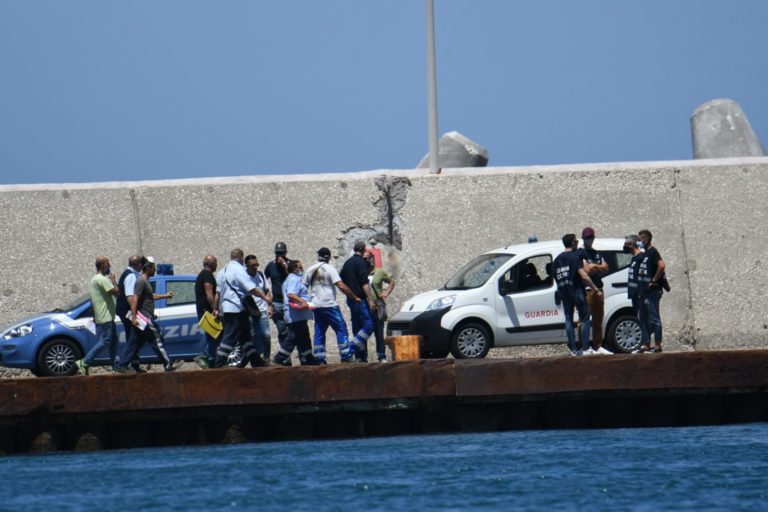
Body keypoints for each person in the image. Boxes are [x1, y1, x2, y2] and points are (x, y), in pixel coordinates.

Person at [115, 259, 180, 373]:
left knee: (134, 343)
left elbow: (150, 296)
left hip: (142, 318)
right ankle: (168, 363)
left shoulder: (145, 281)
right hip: (144, 318)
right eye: (153, 267)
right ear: (148, 268)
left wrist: (165, 296)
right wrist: (134, 318)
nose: (154, 269)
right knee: (157, 339)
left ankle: (122, 365)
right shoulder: (141, 281)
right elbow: (134, 298)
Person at [214, 249, 271, 368]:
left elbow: (217, 294)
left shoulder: (221, 272)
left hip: (227, 308)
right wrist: (265, 297)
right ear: (241, 258)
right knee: (230, 337)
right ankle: (219, 363)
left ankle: (257, 363)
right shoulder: (239, 270)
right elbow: (251, 288)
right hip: (237, 309)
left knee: (246, 339)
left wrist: (215, 308)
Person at [303, 247, 359, 364]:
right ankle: (346, 355)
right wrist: (354, 297)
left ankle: (319, 359)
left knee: (319, 330)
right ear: (328, 257)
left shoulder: (310, 269)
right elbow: (341, 286)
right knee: (340, 328)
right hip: (329, 305)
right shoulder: (330, 269)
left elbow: (303, 288)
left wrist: (306, 302)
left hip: (316, 305)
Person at [553, 234, 599, 356]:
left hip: (564, 293)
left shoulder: (557, 260)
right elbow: (583, 275)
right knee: (585, 318)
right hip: (576, 290)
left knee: (568, 318)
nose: (578, 242)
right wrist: (595, 287)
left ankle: (573, 349)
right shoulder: (575, 257)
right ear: (573, 243)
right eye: (576, 241)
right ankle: (585, 348)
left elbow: (556, 278)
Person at [76, 256, 120, 375]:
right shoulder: (102, 279)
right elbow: (117, 293)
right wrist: (113, 280)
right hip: (105, 316)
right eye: (108, 264)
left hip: (105, 316)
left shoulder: (94, 279)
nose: (109, 266)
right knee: (106, 340)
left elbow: (93, 300)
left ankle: (116, 367)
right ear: (102, 266)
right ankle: (84, 362)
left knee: (114, 342)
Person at [273, 260, 319, 366]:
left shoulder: (290, 279)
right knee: (293, 337)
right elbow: (291, 294)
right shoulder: (294, 279)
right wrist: (303, 302)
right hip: (295, 315)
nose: (302, 269)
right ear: (294, 269)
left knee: (304, 337)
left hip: (299, 316)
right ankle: (280, 357)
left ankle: (308, 358)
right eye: (300, 267)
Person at [575, 227, 612, 355]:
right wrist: (598, 267)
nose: (589, 240)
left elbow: (606, 267)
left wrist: (595, 266)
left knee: (598, 318)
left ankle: (598, 346)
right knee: (584, 319)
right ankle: (583, 346)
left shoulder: (596, 253)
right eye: (587, 238)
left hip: (599, 289)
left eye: (591, 237)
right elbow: (586, 270)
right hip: (587, 289)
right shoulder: (580, 252)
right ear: (583, 239)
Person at [340, 241, 377, 362]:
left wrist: (350, 294)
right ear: (363, 250)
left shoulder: (347, 263)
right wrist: (370, 300)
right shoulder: (360, 262)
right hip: (360, 300)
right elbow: (364, 283)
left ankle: (360, 357)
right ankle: (349, 350)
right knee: (368, 326)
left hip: (351, 300)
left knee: (357, 328)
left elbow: (341, 281)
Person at [636, 229, 666, 353]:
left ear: (646, 239)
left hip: (653, 291)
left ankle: (657, 344)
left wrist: (654, 281)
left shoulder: (653, 252)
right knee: (643, 317)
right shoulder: (644, 253)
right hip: (644, 291)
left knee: (654, 318)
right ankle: (646, 343)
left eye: (640, 239)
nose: (639, 242)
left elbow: (662, 265)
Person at [364, 251, 396, 362]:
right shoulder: (362, 272)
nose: (367, 260)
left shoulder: (379, 272)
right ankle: (363, 357)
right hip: (365, 306)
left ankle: (381, 356)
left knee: (379, 332)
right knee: (365, 332)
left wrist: (386, 292)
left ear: (372, 259)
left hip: (378, 305)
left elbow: (391, 281)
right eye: (365, 258)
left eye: (368, 258)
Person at [245, 254, 272, 364]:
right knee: (254, 336)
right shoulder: (244, 277)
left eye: (257, 264)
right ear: (246, 265)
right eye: (253, 265)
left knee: (266, 335)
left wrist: (270, 306)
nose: (256, 267)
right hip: (250, 311)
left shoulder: (260, 275)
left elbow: (267, 290)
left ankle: (266, 358)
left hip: (262, 310)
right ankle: (256, 360)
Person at [264, 242, 290, 356]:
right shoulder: (270, 266)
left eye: (281, 253)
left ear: (286, 253)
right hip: (277, 303)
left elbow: (295, 278)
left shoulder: (291, 264)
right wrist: (268, 303)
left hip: (290, 303)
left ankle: (290, 353)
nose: (279, 256)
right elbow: (263, 283)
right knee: (282, 331)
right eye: (277, 253)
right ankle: (285, 357)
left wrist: (285, 265)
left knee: (294, 331)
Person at [193, 255, 219, 369]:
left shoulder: (202, 275)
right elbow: (209, 293)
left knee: (212, 335)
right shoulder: (207, 276)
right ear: (211, 264)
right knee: (215, 335)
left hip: (204, 310)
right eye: (216, 263)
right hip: (206, 311)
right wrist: (214, 308)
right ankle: (203, 355)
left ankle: (212, 361)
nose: (217, 265)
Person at [624, 234, 648, 351]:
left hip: (639, 294)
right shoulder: (634, 258)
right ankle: (644, 343)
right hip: (634, 294)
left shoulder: (640, 258)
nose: (624, 248)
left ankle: (645, 343)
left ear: (631, 245)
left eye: (626, 245)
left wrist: (640, 292)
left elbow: (642, 277)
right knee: (639, 318)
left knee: (642, 318)